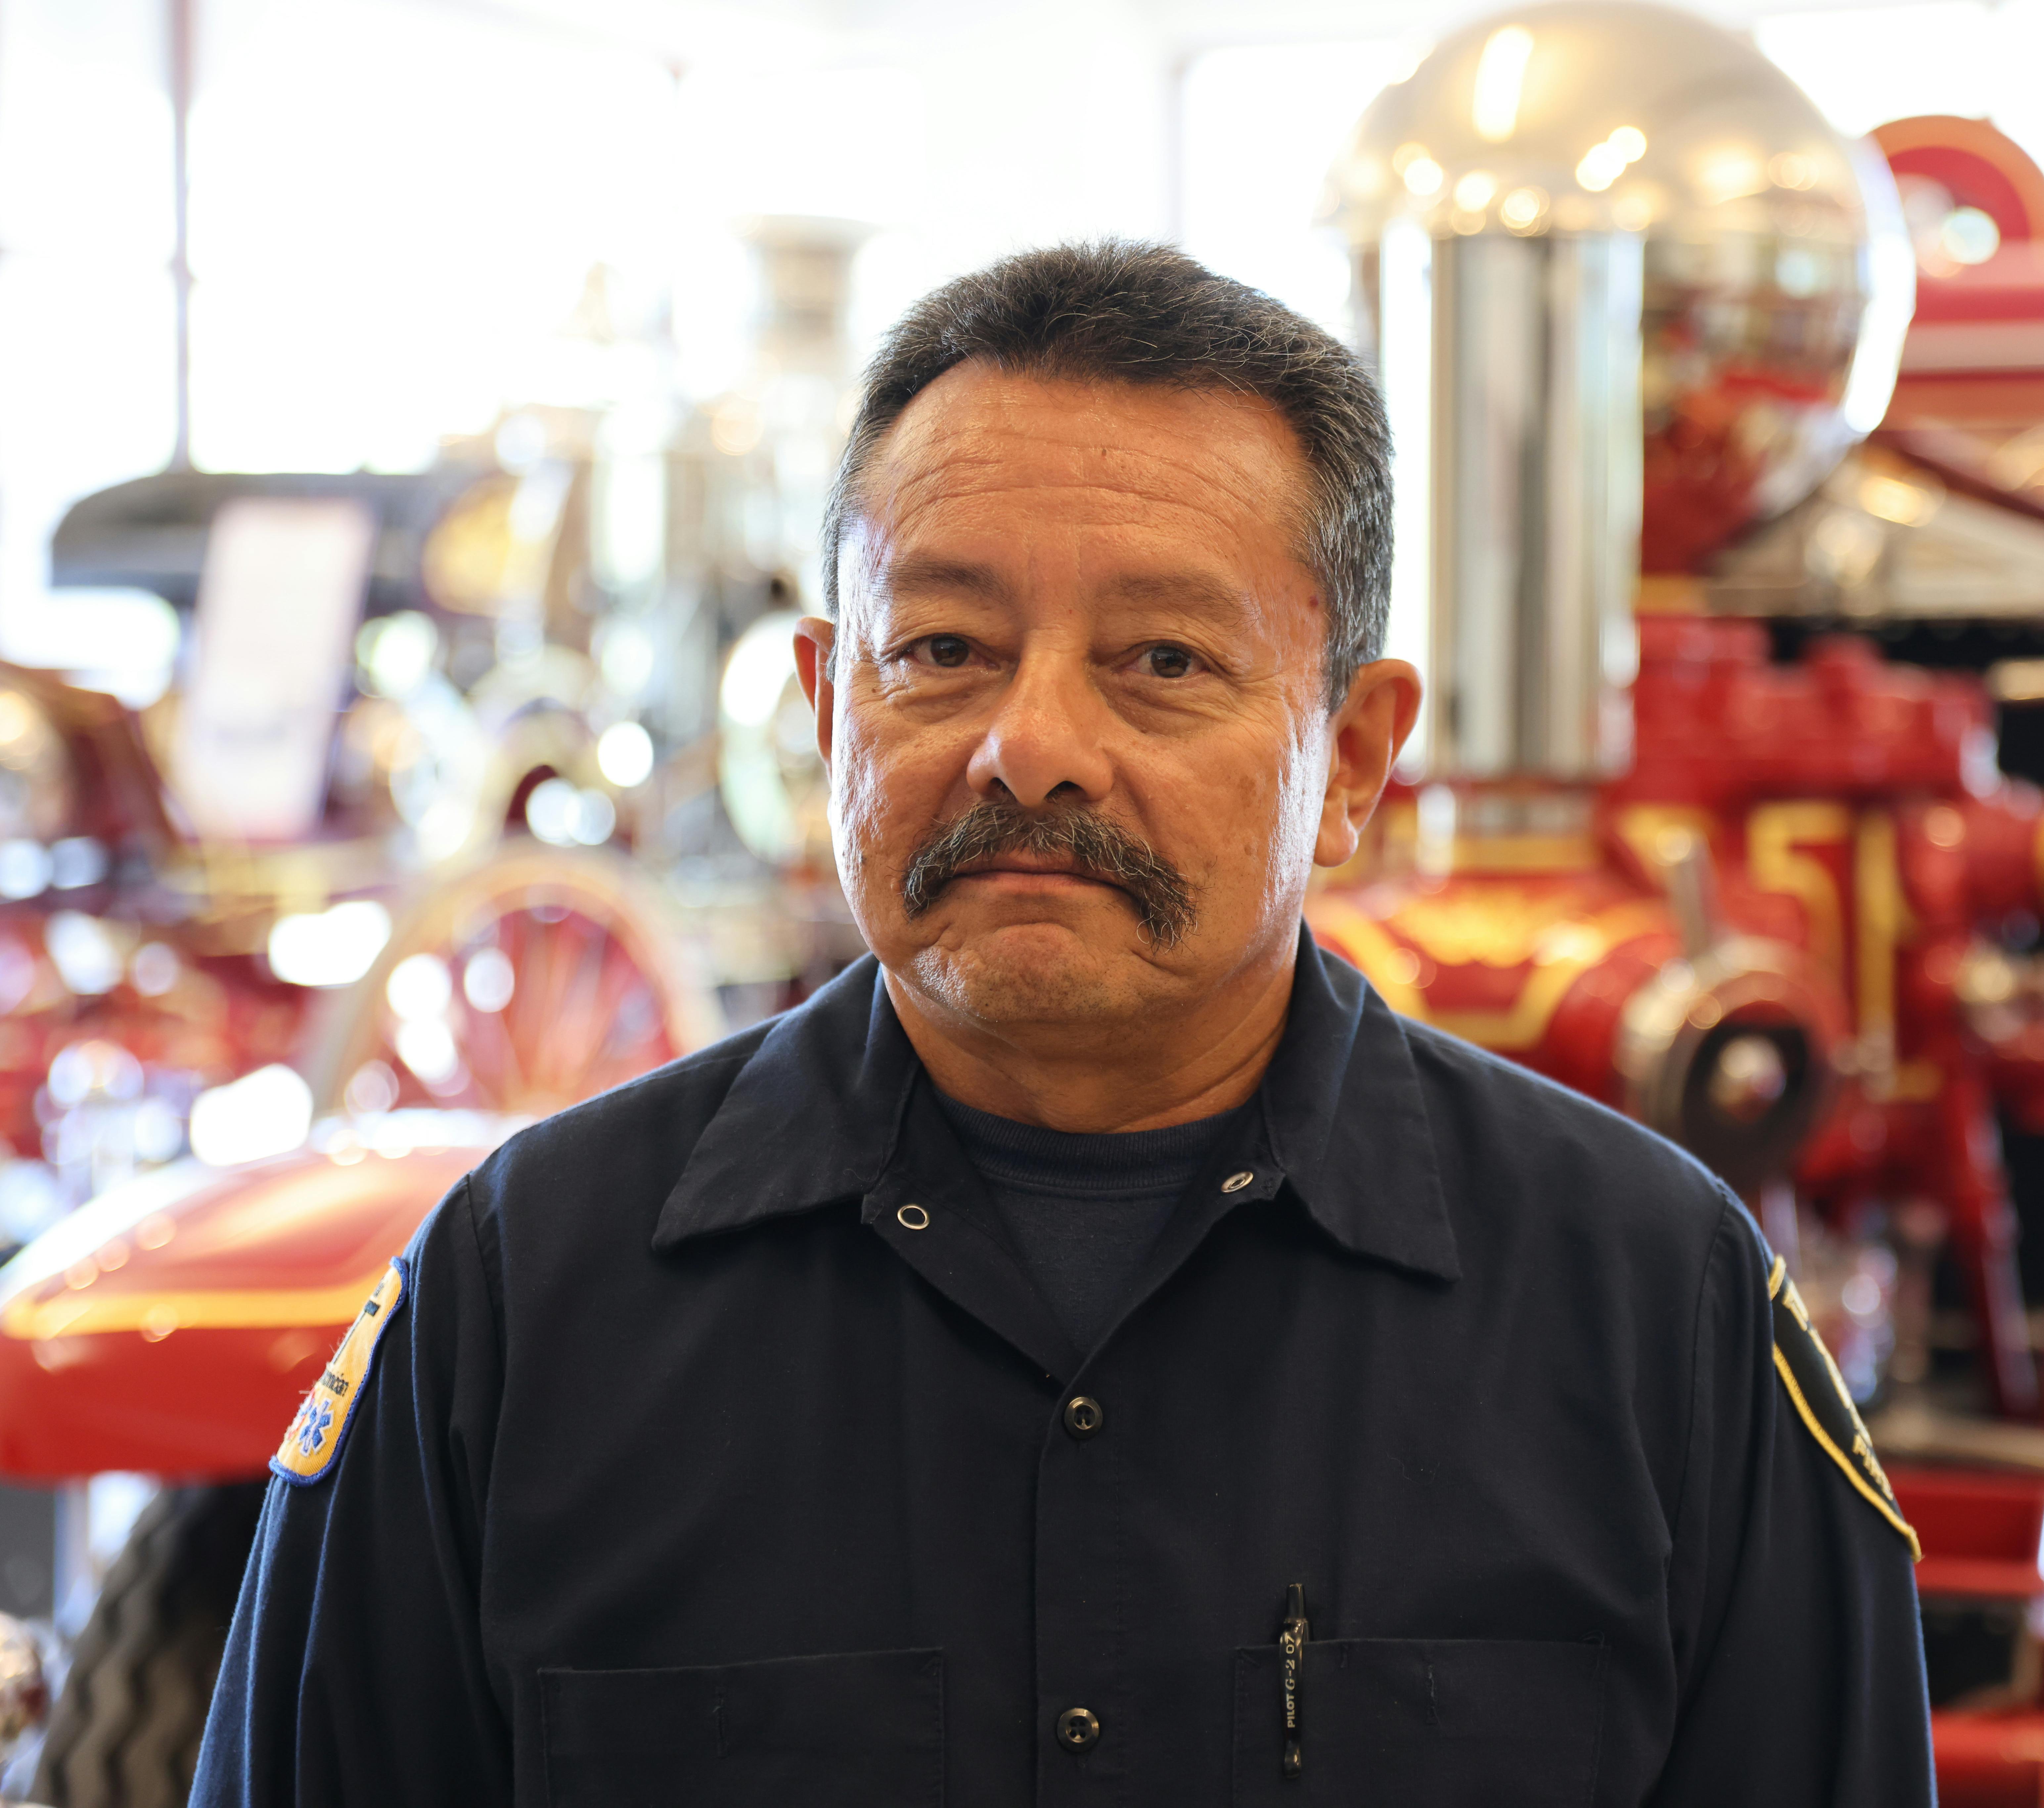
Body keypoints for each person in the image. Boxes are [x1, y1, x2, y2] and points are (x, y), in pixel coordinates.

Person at [191, 241, 1933, 1806]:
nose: (1030, 745)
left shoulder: (1653, 1315)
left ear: (1360, 758)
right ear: (826, 704)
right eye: (942, 645)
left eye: (1163, 661)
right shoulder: (519, 1301)